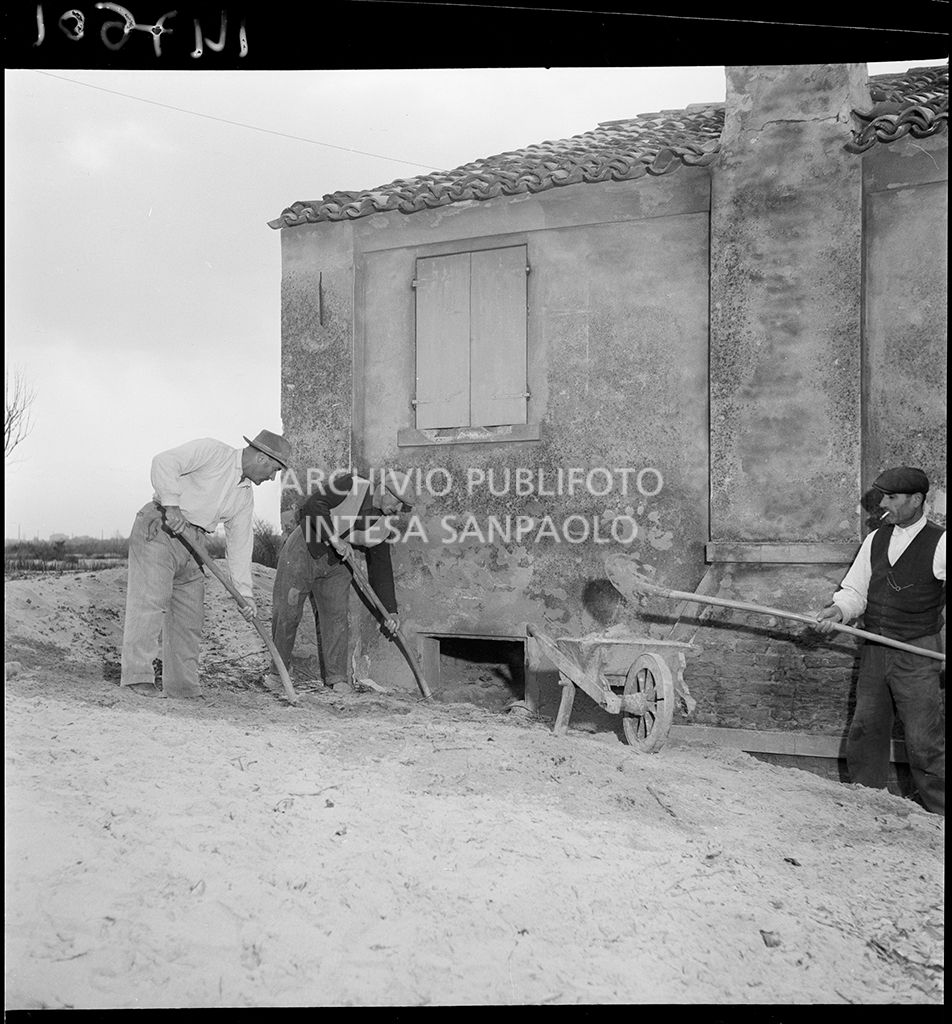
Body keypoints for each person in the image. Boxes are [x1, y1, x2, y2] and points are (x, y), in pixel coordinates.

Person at [120, 430, 292, 698]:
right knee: (150, 602)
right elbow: (163, 462)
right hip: (161, 526)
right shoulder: (213, 452)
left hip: (195, 543)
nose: (271, 477)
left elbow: (240, 545)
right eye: (274, 470)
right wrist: (172, 505)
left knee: (189, 617)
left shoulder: (244, 496)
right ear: (262, 458)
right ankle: (136, 678)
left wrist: (244, 594)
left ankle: (182, 688)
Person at [813, 466, 946, 814]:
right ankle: (865, 803)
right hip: (874, 648)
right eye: (883, 496)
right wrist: (838, 613)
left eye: (892, 497)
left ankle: (940, 812)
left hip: (917, 654)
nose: (884, 503)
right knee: (865, 730)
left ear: (916, 500)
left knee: (923, 740)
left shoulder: (941, 542)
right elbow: (855, 591)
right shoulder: (876, 539)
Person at [271, 470, 413, 690]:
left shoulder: (384, 525)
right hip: (304, 548)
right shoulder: (350, 484)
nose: (399, 510)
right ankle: (278, 672)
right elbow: (313, 506)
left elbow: (381, 568)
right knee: (287, 613)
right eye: (398, 502)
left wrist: (390, 610)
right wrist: (335, 539)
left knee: (337, 618)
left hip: (338, 563)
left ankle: (337, 679)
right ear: (384, 490)